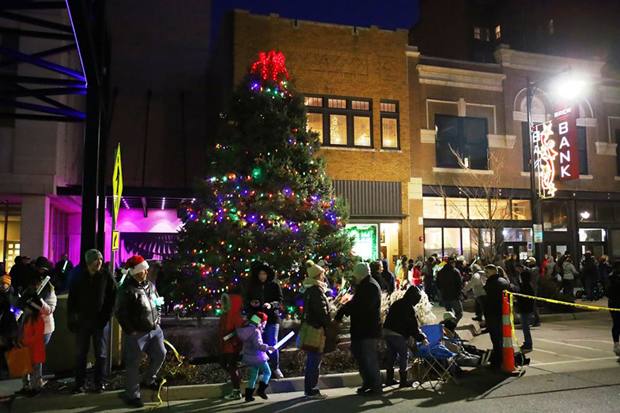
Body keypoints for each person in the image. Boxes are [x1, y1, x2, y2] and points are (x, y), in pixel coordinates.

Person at [115, 255, 166, 409]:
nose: (146, 271)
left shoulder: (150, 285)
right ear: (137, 272)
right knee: (133, 364)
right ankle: (132, 395)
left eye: (146, 269)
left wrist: (158, 320)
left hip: (154, 330)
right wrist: (131, 331)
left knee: (160, 354)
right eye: (144, 269)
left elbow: (157, 302)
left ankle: (149, 379)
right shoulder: (126, 290)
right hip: (137, 333)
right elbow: (120, 312)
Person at [67, 249, 117, 393]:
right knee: (80, 353)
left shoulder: (106, 276)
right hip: (83, 321)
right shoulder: (79, 277)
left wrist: (106, 316)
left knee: (100, 354)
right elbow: (72, 300)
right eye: (96, 259)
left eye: (100, 259)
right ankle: (79, 383)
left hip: (100, 322)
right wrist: (72, 318)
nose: (99, 262)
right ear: (89, 262)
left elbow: (112, 297)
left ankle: (99, 382)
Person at [335, 262, 382, 396]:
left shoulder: (370, 286)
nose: (354, 278)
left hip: (368, 329)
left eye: (356, 275)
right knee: (361, 357)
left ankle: (376, 386)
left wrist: (345, 309)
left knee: (368, 358)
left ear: (360, 274)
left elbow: (362, 306)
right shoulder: (365, 285)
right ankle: (368, 383)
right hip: (361, 329)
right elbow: (357, 303)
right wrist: (345, 308)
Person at [245, 262, 284, 378]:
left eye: (264, 274)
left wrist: (271, 305)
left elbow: (280, 301)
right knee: (259, 343)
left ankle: (275, 368)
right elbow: (247, 300)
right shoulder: (252, 286)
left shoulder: (274, 285)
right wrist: (252, 303)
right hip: (257, 318)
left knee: (272, 342)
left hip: (272, 318)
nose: (262, 276)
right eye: (260, 274)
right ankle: (262, 369)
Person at [382, 286, 427, 388]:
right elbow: (412, 326)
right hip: (398, 334)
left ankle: (389, 379)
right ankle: (403, 381)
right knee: (404, 355)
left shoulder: (397, 303)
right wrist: (421, 338)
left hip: (387, 332)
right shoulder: (409, 308)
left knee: (392, 355)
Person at [301, 260, 332, 399]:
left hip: (311, 327)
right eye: (322, 274)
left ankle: (309, 389)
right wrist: (329, 322)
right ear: (317, 276)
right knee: (314, 360)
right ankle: (312, 389)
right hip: (316, 329)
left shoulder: (310, 289)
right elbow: (321, 311)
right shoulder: (316, 291)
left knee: (311, 360)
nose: (323, 277)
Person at [236, 312, 275, 402]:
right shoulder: (256, 331)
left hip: (249, 357)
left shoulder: (246, 329)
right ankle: (261, 390)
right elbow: (258, 345)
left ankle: (248, 396)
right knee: (267, 372)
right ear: (260, 322)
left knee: (253, 376)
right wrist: (268, 347)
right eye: (265, 322)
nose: (265, 324)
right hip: (258, 357)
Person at [218, 291, 244, 400]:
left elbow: (239, 332)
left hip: (232, 347)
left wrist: (232, 340)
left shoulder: (235, 316)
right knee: (224, 363)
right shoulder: (225, 315)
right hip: (225, 346)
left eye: (226, 302)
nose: (223, 305)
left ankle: (237, 391)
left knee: (232, 367)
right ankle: (237, 379)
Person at [483, 264, 510, 370]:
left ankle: (497, 361)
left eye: (487, 272)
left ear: (492, 272)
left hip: (493, 313)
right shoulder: (504, 281)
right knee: (502, 337)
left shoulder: (492, 283)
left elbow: (490, 299)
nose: (486, 274)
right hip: (502, 312)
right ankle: (503, 359)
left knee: (496, 339)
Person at [0, 274, 18, 378]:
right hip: (3, 326)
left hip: (10, 326)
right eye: (1, 284)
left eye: (4, 284)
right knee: (2, 348)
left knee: (10, 347)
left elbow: (15, 308)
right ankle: (4, 370)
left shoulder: (13, 295)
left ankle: (10, 369)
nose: (2, 286)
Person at [436, 257, 463, 324]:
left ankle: (448, 325)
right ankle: (452, 325)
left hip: (445, 295)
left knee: (449, 313)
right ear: (452, 263)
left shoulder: (440, 272)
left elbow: (437, 284)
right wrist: (459, 294)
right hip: (454, 296)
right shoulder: (455, 271)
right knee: (459, 313)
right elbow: (459, 284)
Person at [515, 262, 535, 353]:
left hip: (525, 309)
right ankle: (527, 342)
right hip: (527, 308)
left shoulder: (525, 287)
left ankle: (528, 343)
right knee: (525, 328)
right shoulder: (528, 286)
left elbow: (522, 297)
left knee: (526, 328)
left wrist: (517, 296)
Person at [608, 261, 620, 357]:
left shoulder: (610, 277)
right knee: (617, 324)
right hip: (616, 303)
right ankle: (616, 345)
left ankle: (616, 344)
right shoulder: (613, 278)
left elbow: (607, 292)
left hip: (613, 303)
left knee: (616, 324)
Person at [524, 257, 540, 326]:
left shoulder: (535, 269)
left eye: (529, 262)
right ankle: (532, 320)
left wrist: (525, 268)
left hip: (534, 288)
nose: (528, 263)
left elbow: (531, 272)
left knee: (533, 304)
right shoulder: (530, 269)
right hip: (530, 287)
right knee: (529, 304)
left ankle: (537, 320)